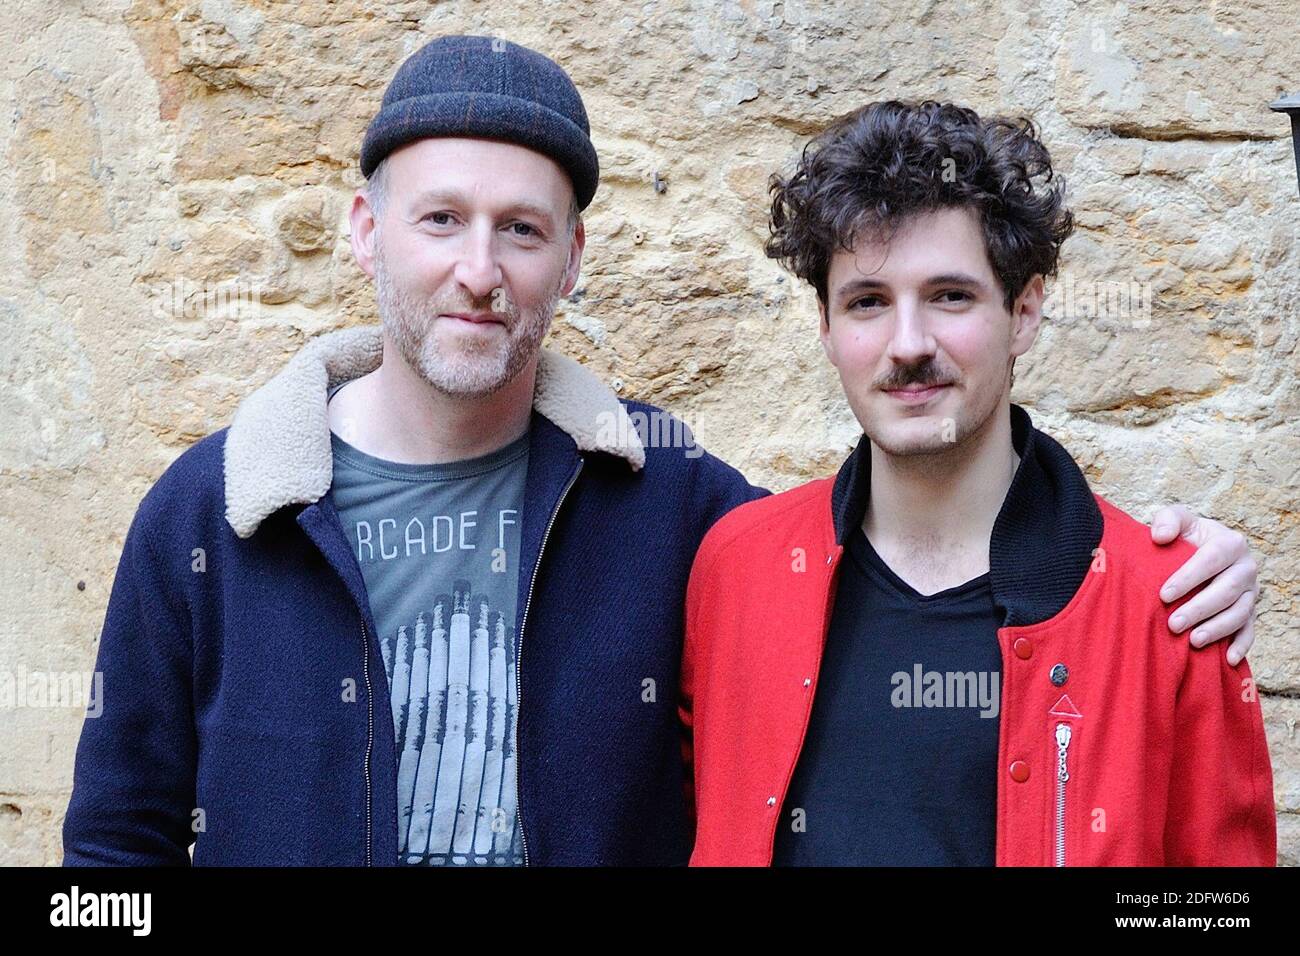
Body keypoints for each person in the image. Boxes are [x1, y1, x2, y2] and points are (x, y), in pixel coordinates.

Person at [63, 39, 1263, 867]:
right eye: (440, 219)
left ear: (572, 256)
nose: (479, 268)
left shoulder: (677, 511)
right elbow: (113, 849)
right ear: (369, 231)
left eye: (521, 229)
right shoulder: (214, 511)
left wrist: (1184, 559)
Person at [680, 100, 1276, 866]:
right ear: (827, 329)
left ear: (1023, 312)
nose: (908, 345)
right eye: (868, 303)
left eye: (949, 296)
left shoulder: (1172, 607)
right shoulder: (737, 569)